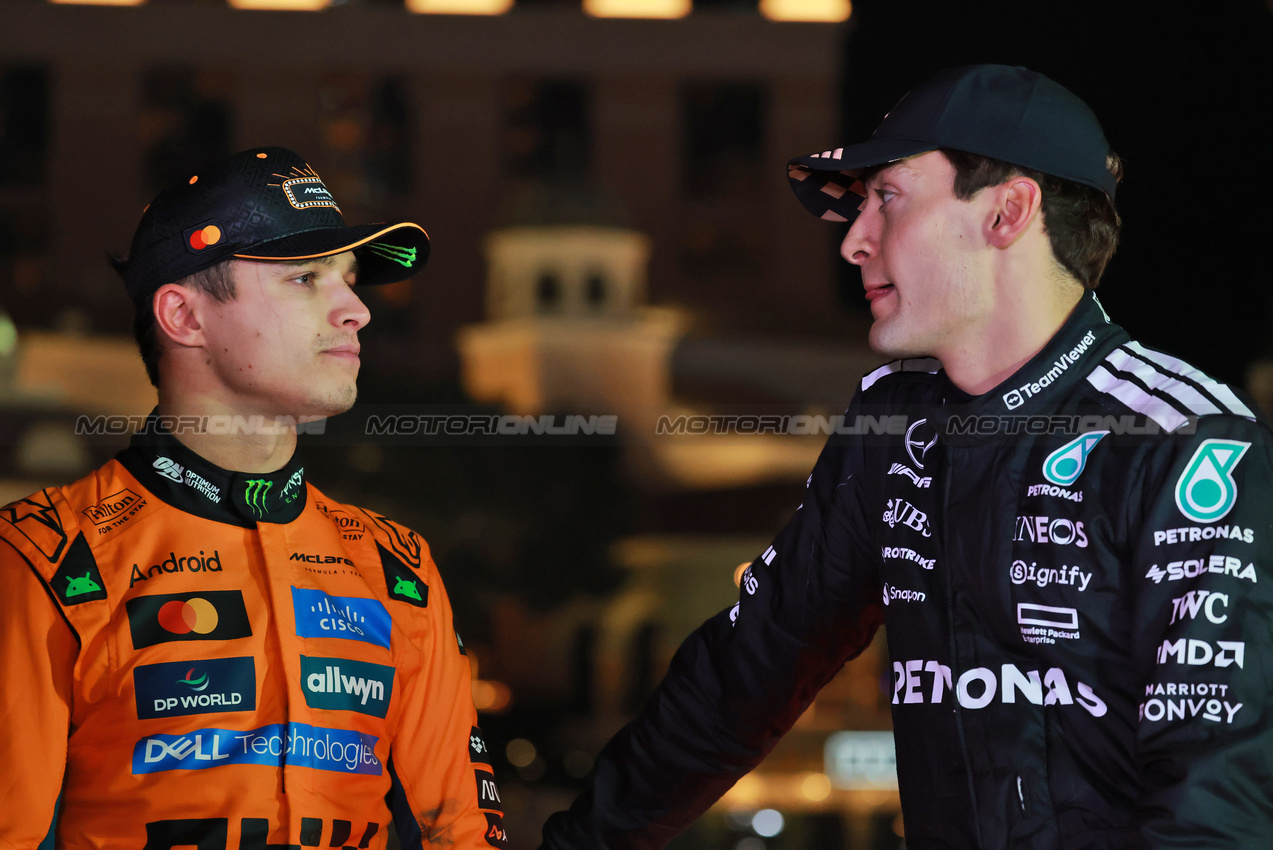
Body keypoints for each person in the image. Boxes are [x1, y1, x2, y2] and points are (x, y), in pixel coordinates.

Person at [538, 64, 1273, 848]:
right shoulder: (891, 424)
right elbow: (741, 675)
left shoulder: (1185, 442)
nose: (853, 241)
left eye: (886, 197)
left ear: (1007, 212)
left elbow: (1215, 797)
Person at [0, 147, 509, 849]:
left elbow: (461, 833)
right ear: (184, 316)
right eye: (305, 278)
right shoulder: (41, 555)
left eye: (349, 280)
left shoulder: (399, 565)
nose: (357, 310)